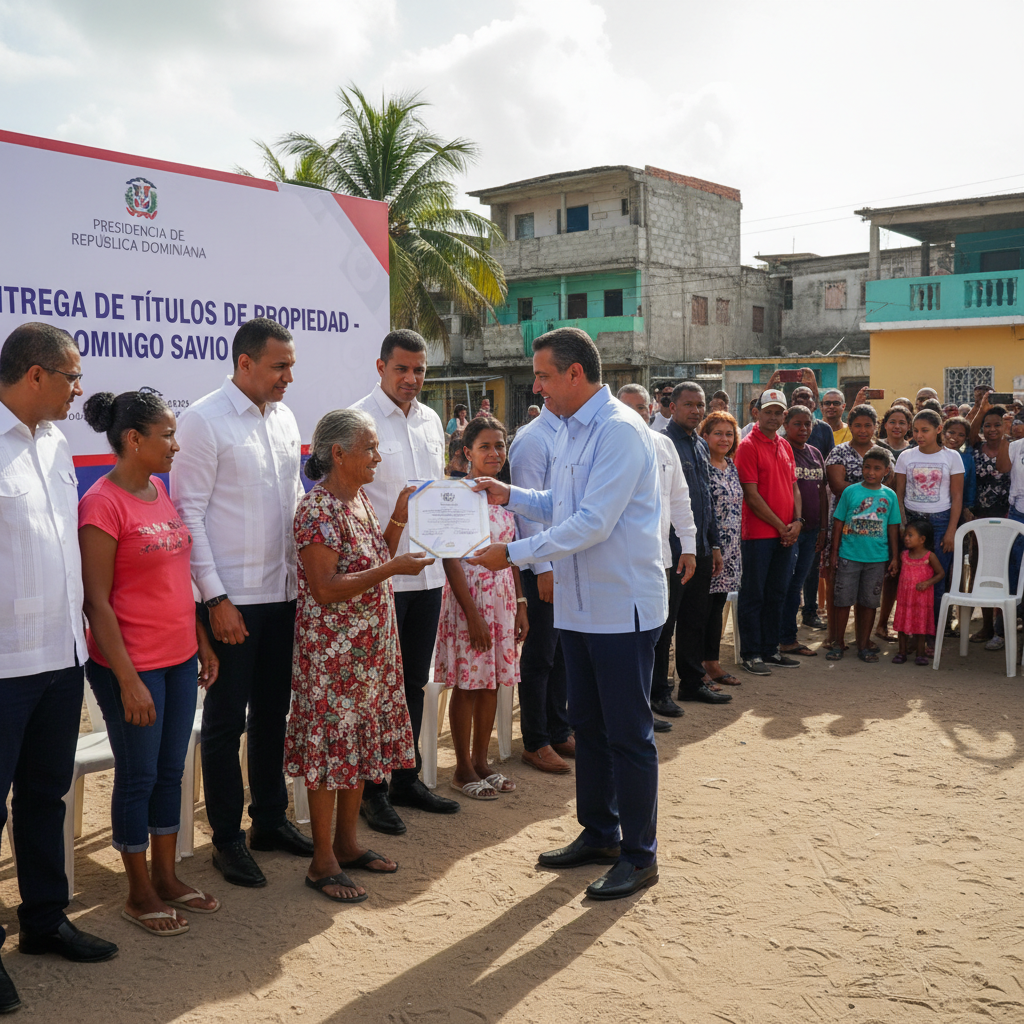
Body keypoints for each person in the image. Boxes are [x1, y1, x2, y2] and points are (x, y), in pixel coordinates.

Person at [467, 327, 665, 901]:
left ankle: (639, 853)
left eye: (545, 375)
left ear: (576, 374)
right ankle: (599, 833)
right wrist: (512, 496)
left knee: (629, 734)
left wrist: (516, 554)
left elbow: (594, 523)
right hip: (579, 608)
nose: (537, 386)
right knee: (590, 727)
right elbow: (562, 504)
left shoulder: (622, 432)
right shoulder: (573, 431)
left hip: (620, 605)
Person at [170, 317, 313, 889]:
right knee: (226, 722)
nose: (288, 378)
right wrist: (216, 598)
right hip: (231, 602)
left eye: (292, 367)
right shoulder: (203, 420)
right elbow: (189, 517)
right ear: (245, 363)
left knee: (274, 714)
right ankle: (226, 838)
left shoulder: (283, 418)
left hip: (282, 595)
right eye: (280, 366)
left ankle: (270, 820)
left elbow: (295, 499)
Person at [0, 324, 118, 1013]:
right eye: (71, 376)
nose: (81, 388)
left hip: (59, 654)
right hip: (4, 661)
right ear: (35, 375)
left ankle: (44, 920)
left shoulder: (53, 446)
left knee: (47, 796)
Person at [80, 389, 221, 935]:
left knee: (171, 770)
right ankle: (138, 892)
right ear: (133, 439)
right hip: (131, 668)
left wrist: (201, 641)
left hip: (179, 658)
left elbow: (174, 580)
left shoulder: (159, 489)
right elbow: (97, 602)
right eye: (166, 435)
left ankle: (167, 878)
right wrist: (127, 680)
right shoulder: (101, 504)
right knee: (138, 775)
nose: (175, 445)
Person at [286, 409, 432, 904]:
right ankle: (321, 860)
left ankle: (347, 846)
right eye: (369, 448)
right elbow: (325, 588)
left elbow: (375, 559)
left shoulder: (360, 500)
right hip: (332, 658)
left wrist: (397, 518)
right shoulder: (317, 509)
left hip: (368, 652)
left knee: (357, 749)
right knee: (331, 753)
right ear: (339, 454)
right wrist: (393, 565)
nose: (378, 455)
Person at [352, 330, 460, 833]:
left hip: (429, 574)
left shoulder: (432, 419)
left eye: (420, 371)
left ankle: (405, 775)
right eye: (402, 369)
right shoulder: (358, 422)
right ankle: (372, 790)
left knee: (414, 681)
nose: (412, 379)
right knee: (378, 689)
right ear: (380, 367)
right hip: (383, 577)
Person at [436, 416, 527, 797]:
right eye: (485, 446)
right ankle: (461, 768)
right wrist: (472, 613)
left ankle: (482, 761)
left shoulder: (507, 495)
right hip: (468, 599)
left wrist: (521, 604)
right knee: (468, 684)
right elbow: (450, 559)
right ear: (467, 453)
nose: (494, 453)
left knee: (492, 684)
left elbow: (515, 553)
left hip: (504, 597)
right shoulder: (457, 495)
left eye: (500, 446)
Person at [618, 384, 697, 727]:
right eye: (629, 407)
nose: (638, 414)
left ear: (651, 411)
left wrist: (689, 546)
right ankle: (632, 711)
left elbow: (680, 499)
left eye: (643, 408)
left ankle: (655, 697)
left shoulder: (664, 445)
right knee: (627, 643)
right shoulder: (609, 447)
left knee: (660, 633)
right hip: (620, 564)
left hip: (661, 559)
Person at [508, 398, 574, 772]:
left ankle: (558, 728)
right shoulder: (534, 439)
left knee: (563, 653)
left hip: (569, 559)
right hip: (541, 565)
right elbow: (527, 511)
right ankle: (535, 741)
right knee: (540, 656)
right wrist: (543, 567)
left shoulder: (570, 433)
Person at [657, 383, 730, 707]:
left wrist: (713, 545)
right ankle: (658, 692)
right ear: (672, 407)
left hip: (698, 548)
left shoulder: (700, 446)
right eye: (688, 404)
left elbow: (706, 499)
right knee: (664, 624)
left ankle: (691, 682)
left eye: (700, 405)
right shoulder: (661, 444)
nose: (696, 411)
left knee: (694, 619)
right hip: (671, 552)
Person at [733, 389, 802, 675]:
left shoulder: (785, 446)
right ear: (756, 413)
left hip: (786, 533)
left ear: (784, 416)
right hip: (759, 535)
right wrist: (781, 526)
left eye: (778, 412)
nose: (773, 417)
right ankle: (751, 653)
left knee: (778, 593)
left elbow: (794, 487)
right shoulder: (747, 445)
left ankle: (770, 649)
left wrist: (798, 521)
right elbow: (751, 495)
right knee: (754, 595)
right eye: (768, 411)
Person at [826, 446, 902, 663]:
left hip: (876, 559)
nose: (871, 472)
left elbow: (893, 527)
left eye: (877, 468)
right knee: (843, 600)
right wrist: (834, 553)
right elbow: (838, 522)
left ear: (886, 471)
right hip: (848, 556)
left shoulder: (890, 496)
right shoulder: (851, 492)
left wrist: (894, 557)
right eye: (867, 467)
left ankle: (863, 644)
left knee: (869, 602)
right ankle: (838, 643)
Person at [894, 409, 964, 633]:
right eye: (915, 430)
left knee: (937, 576)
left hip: (941, 521)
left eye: (925, 430)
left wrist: (951, 530)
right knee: (912, 577)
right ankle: (913, 631)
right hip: (913, 521)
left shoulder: (952, 457)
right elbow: (899, 493)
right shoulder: (906, 456)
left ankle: (936, 630)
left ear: (939, 429)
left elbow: (957, 496)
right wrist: (903, 524)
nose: (919, 435)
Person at [823, 404, 880, 654]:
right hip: (842, 524)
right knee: (839, 583)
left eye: (868, 425)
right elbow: (837, 486)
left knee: (868, 588)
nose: (863, 430)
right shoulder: (839, 453)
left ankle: (863, 639)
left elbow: (888, 488)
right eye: (857, 425)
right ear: (850, 424)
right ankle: (835, 637)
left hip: (874, 530)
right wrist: (868, 488)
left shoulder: (882, 453)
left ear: (875, 427)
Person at [779, 405, 828, 657]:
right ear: (786, 425)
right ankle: (784, 637)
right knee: (786, 585)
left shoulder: (815, 454)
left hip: (811, 531)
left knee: (798, 582)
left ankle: (787, 637)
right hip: (788, 530)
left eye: (808, 424)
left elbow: (821, 492)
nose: (803, 428)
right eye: (797, 424)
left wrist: (823, 527)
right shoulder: (781, 450)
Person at [699, 410, 743, 685]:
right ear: (705, 436)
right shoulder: (701, 466)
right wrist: (713, 545)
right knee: (700, 609)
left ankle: (712, 662)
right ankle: (698, 667)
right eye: (718, 433)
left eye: (729, 434)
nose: (724, 438)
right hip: (708, 548)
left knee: (717, 608)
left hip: (732, 549)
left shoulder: (732, 465)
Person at [966, 402, 1011, 646]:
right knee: (979, 568)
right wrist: (981, 409)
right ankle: (984, 625)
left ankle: (1001, 627)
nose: (992, 429)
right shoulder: (975, 448)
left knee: (1003, 571)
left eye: (997, 425)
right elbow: (971, 432)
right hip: (980, 517)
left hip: (1008, 517)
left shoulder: (1014, 449)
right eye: (988, 425)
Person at [873, 404, 916, 642]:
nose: (897, 426)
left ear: (908, 427)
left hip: (909, 517)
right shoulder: (875, 447)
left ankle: (901, 625)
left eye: (902, 422)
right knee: (882, 573)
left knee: (902, 573)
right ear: (885, 424)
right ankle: (878, 624)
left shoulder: (916, 450)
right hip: (880, 517)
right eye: (892, 421)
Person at [891, 519, 945, 666]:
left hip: (921, 599)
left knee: (920, 626)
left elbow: (940, 573)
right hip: (904, 599)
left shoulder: (929, 557)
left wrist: (927, 582)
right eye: (906, 535)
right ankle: (901, 652)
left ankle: (920, 653)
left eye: (910, 535)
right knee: (902, 626)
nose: (906, 538)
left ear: (922, 539)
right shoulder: (904, 555)